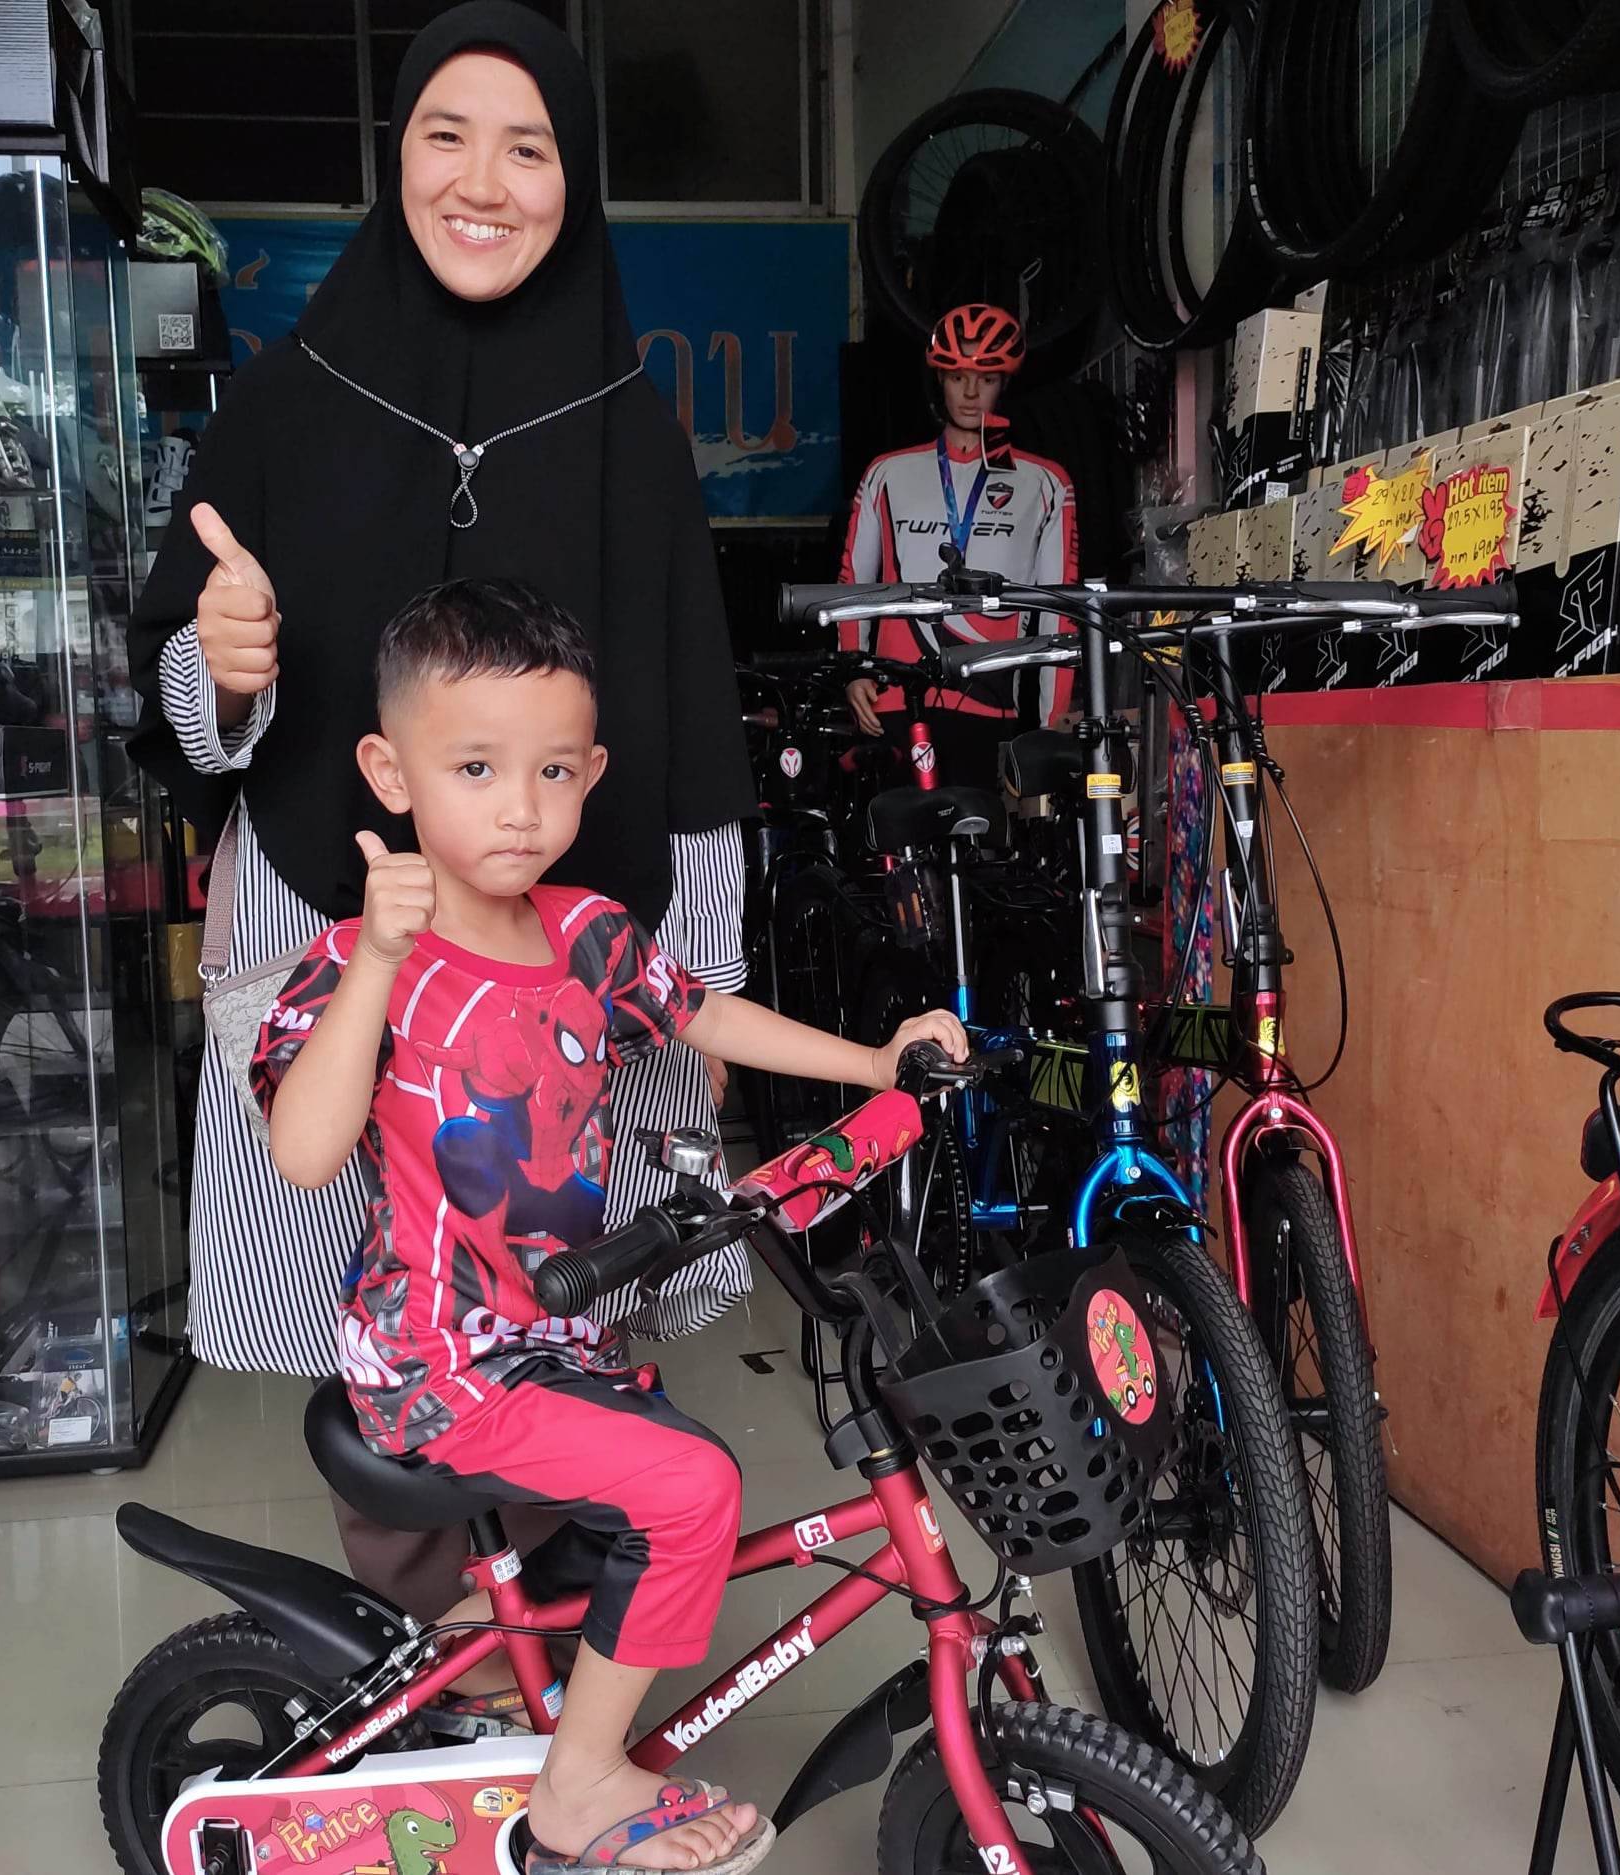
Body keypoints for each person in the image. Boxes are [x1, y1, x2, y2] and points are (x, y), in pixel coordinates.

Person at [126, 3, 756, 1624]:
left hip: (569, 970)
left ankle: (550, 1636)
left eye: (527, 147)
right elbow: (181, 704)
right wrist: (224, 665)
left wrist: (703, 968)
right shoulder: (289, 401)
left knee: (570, 1294)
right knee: (374, 1320)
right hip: (343, 942)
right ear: (393, 157)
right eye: (444, 137)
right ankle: (427, 1646)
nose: (484, 182)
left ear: (575, 177)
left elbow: (689, 727)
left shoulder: (628, 425)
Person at [253, 577, 965, 1873]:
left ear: (590, 775)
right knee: (694, 1486)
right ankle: (576, 1786)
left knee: (639, 1489)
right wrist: (375, 963)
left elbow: (702, 1013)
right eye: (475, 767)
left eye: (551, 771)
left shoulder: (586, 932)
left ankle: (488, 1669)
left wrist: (874, 1063)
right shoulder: (361, 958)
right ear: (391, 774)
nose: (518, 808)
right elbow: (302, 1154)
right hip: (438, 1353)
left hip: (559, 1335)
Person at [838, 302, 1080, 787]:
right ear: (939, 381)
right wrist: (854, 670)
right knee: (896, 829)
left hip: (991, 701)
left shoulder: (1046, 483)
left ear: (1004, 383)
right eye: (957, 377)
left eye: (985, 378)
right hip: (897, 699)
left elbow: (1059, 605)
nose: (970, 393)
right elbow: (855, 580)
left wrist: (1050, 720)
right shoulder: (887, 473)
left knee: (984, 830)